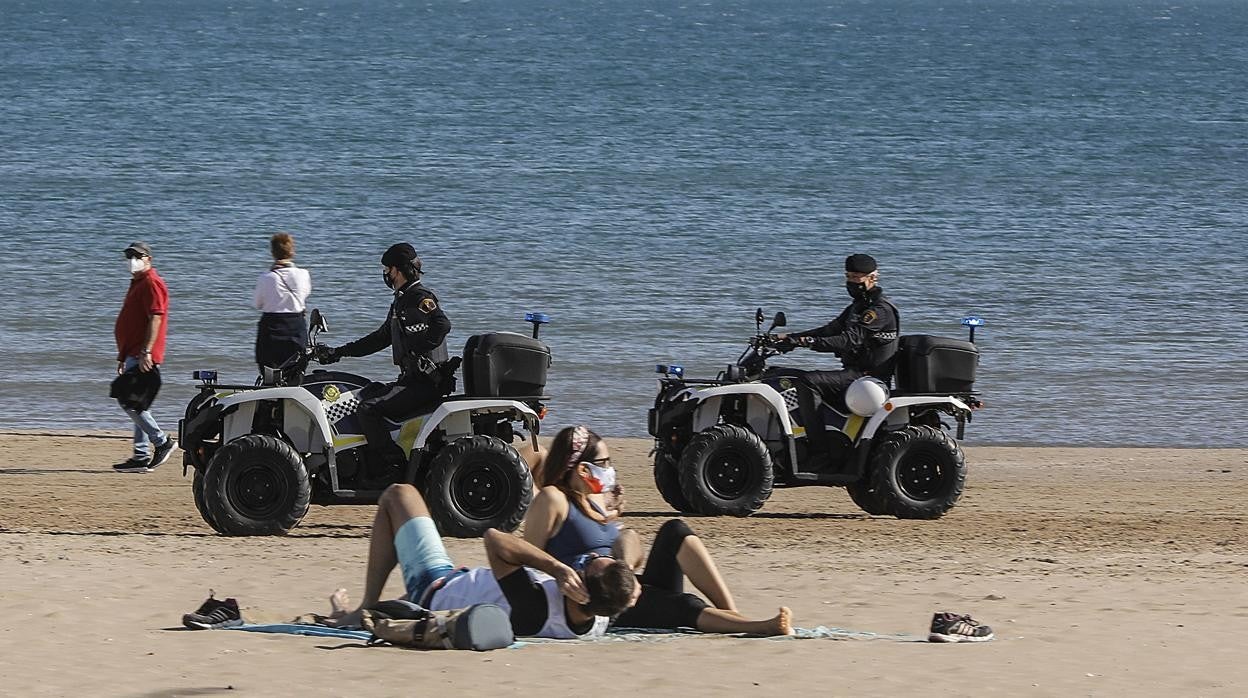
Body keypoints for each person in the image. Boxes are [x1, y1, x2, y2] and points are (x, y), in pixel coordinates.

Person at [523, 425, 793, 636]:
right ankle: (758, 627)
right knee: (682, 605)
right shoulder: (553, 499)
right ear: (583, 469)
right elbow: (530, 562)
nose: (610, 469)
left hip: (625, 582)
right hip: (601, 599)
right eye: (604, 463)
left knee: (675, 530)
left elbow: (632, 543)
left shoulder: (598, 502)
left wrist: (625, 567)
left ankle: (732, 614)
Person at [324, 484, 639, 639]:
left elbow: (494, 539)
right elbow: (631, 537)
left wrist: (556, 568)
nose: (590, 557)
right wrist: (627, 569)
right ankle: (353, 612)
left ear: (579, 591)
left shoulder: (535, 608)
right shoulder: (600, 615)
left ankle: (363, 606)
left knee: (398, 495)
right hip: (458, 584)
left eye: (586, 565)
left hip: (433, 587)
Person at [323, 243, 452, 470]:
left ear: (397, 270)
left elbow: (442, 324)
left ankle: (391, 465)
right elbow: (380, 339)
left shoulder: (419, 297)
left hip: (424, 384)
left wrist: (418, 351)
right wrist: (339, 352)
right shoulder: (401, 301)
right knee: (365, 393)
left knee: (369, 410)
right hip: (411, 381)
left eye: (387, 269)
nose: (385, 274)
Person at [775, 253, 900, 402]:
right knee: (781, 374)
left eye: (856, 277)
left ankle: (814, 427)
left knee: (807, 381)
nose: (851, 282)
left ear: (872, 278)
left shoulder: (879, 310)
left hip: (868, 379)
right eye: (848, 277)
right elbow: (828, 330)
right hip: (853, 373)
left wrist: (807, 342)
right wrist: (788, 337)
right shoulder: (858, 306)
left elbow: (848, 340)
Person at [112, 241, 178, 473]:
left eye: (138, 256)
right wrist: (122, 355)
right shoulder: (138, 283)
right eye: (129, 256)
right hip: (132, 352)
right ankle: (141, 454)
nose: (132, 260)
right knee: (136, 401)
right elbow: (132, 322)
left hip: (142, 353)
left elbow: (156, 318)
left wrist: (146, 351)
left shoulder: (152, 283)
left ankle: (161, 441)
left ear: (148, 259)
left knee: (128, 400)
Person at [253, 232, 311, 382]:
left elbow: (258, 304)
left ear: (272, 253)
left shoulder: (266, 277)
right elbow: (304, 296)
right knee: (295, 374)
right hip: (296, 326)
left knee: (269, 376)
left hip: (271, 327)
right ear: (292, 251)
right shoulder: (303, 274)